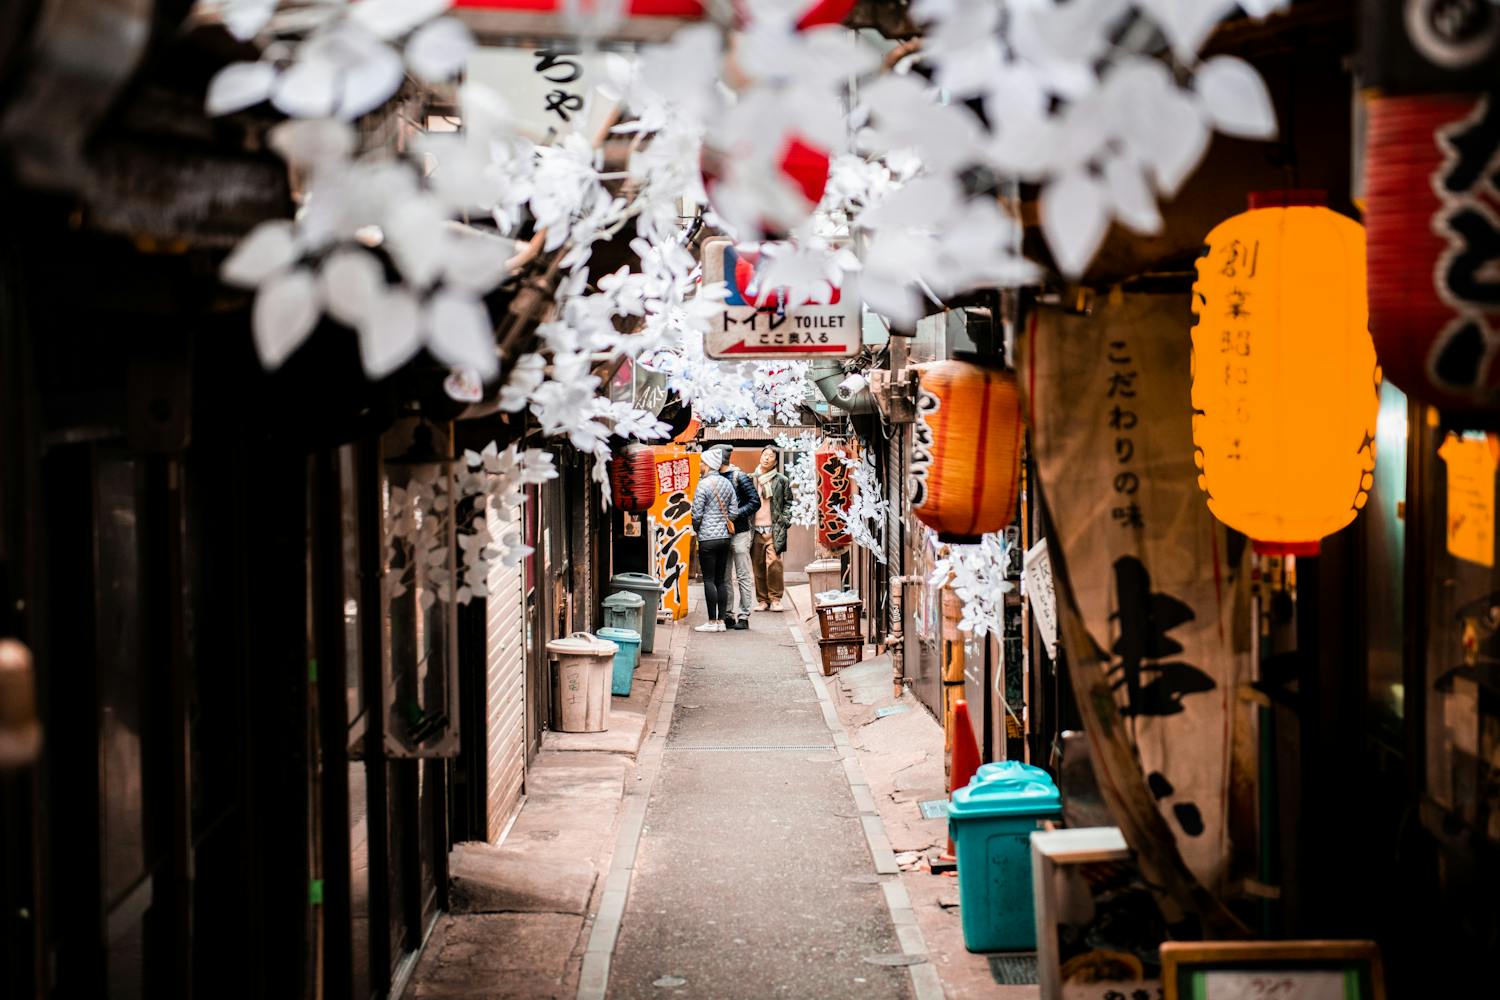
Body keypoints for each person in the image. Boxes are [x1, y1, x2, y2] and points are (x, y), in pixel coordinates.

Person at [689, 450, 739, 632]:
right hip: (725, 538)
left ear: (708, 464)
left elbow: (696, 513)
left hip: (708, 539)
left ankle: (711, 622)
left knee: (709, 580)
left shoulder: (703, 485)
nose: (700, 466)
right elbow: (734, 512)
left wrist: (698, 528)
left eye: (702, 463)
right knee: (721, 580)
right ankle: (721, 621)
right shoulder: (727, 484)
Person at [712, 447, 761, 630]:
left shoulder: (739, 476)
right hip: (722, 533)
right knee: (724, 575)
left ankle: (744, 614)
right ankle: (728, 614)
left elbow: (755, 501)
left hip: (740, 532)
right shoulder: (713, 477)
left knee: (742, 575)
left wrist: (735, 514)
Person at [751, 446, 792, 612]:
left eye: (771, 456)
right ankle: (762, 600)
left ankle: (775, 598)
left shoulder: (781, 480)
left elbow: (789, 502)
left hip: (774, 528)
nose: (766, 458)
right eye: (764, 455)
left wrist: (784, 519)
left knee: (774, 563)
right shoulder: (751, 478)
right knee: (758, 565)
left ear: (775, 461)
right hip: (755, 530)